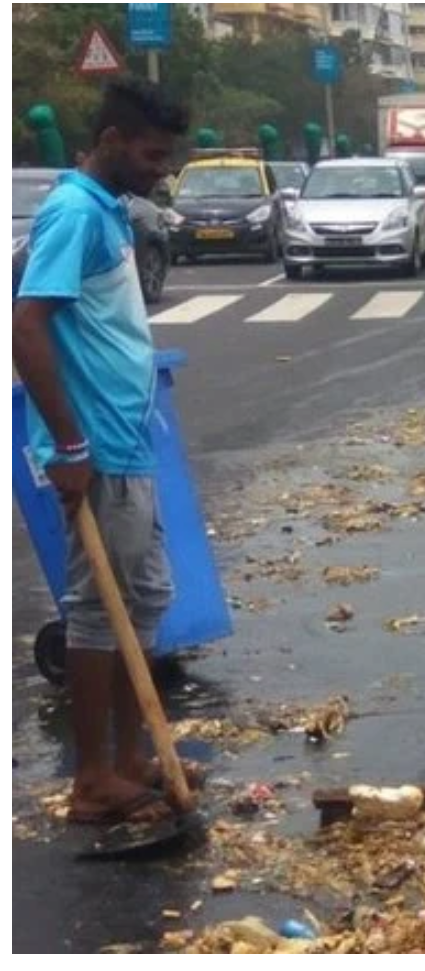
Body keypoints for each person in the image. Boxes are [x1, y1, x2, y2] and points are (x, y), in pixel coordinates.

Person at [12, 78, 193, 826]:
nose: (161, 169)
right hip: (96, 449)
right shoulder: (72, 214)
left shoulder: (111, 212)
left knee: (143, 597)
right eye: (152, 155)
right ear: (112, 140)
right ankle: (91, 779)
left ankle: (127, 758)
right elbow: (25, 325)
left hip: (128, 440)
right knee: (98, 610)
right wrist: (69, 442)